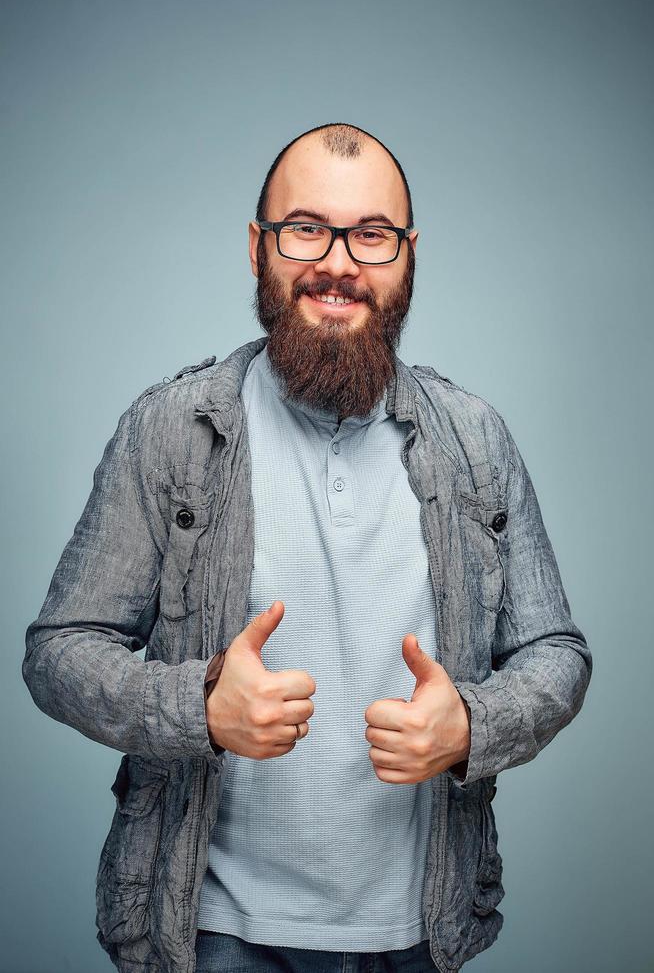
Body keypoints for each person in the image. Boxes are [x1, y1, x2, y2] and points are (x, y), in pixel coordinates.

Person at [23, 123, 592, 973]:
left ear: (407, 256)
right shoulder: (171, 432)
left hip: (420, 938)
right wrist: (198, 704)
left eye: (371, 234)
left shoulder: (477, 439)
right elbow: (58, 653)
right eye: (306, 229)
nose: (339, 262)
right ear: (259, 247)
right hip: (217, 936)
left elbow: (557, 654)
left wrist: (473, 723)